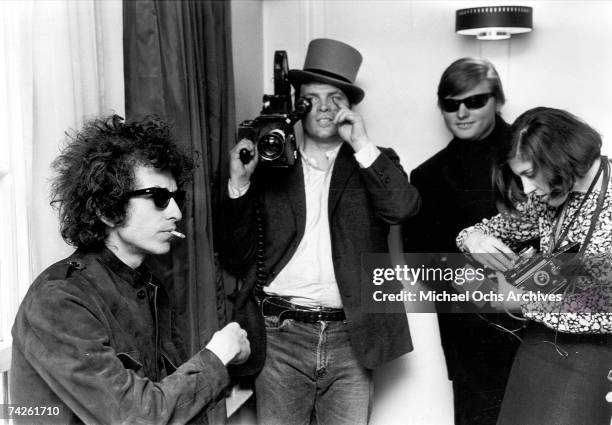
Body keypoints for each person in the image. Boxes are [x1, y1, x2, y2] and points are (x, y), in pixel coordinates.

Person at [221, 38, 420, 425]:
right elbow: (235, 251)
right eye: (313, 98)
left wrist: (360, 142)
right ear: (297, 105)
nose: (325, 108)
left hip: (352, 336)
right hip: (280, 335)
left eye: (336, 98)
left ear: (350, 107)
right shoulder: (271, 162)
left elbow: (403, 208)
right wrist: (239, 185)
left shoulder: (376, 160)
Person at [10, 115, 250, 424]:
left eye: (177, 197)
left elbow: (162, 400)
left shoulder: (148, 284)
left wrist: (223, 361)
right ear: (106, 209)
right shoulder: (58, 300)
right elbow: (136, 417)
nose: (176, 212)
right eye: (159, 198)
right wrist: (218, 355)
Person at [457, 107, 612, 425]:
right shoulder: (551, 194)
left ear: (560, 158)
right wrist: (474, 239)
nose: (526, 189)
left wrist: (508, 284)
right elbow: (486, 233)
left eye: (529, 174)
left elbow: (591, 301)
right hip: (540, 344)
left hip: (593, 354)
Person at [403, 57, 522, 424]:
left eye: (475, 101)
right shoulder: (427, 176)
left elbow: (565, 238)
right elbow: (420, 261)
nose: (462, 113)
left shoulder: (533, 157)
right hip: (470, 336)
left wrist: (520, 289)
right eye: (451, 104)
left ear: (498, 101)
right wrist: (475, 285)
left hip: (543, 327)